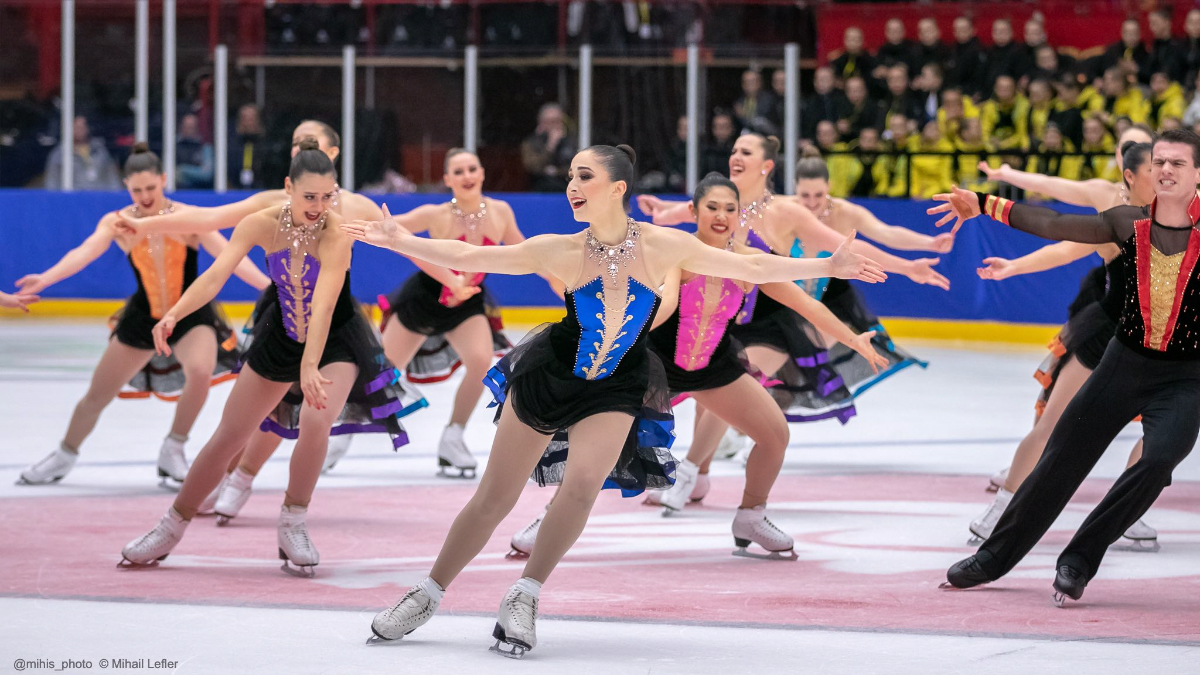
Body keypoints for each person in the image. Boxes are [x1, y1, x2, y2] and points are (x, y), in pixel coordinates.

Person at [347, 144, 886, 656]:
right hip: (551, 375)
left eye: (584, 176)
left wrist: (825, 267)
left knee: (582, 488)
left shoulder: (662, 245)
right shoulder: (562, 249)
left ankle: (524, 596)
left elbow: (753, 268)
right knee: (495, 496)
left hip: (618, 384)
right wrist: (400, 240)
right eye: (570, 177)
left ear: (617, 187)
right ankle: (428, 592)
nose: (572, 185)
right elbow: (467, 253)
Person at [120, 139, 420, 577]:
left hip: (335, 340)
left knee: (316, 421)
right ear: (288, 188)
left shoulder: (337, 233)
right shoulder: (260, 224)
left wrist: (310, 365)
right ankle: (170, 526)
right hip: (280, 334)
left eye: (327, 196)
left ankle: (293, 521)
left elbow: (324, 305)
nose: (319, 206)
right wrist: (174, 313)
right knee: (229, 435)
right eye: (310, 196)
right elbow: (214, 276)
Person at [115, 120, 462, 499]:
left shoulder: (354, 207)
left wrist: (453, 280)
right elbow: (209, 218)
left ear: (332, 154)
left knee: (307, 413)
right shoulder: (275, 202)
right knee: (262, 411)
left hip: (333, 317)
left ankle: (255, 486)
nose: (300, 148)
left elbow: (407, 245)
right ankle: (232, 479)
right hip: (283, 312)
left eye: (309, 142)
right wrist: (147, 225)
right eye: (296, 143)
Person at [931, 128, 1200, 606]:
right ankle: (993, 557)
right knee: (1061, 458)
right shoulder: (1127, 222)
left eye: (1177, 163)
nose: (1165, 170)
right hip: (1124, 363)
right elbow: (1056, 224)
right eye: (1159, 161)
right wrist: (986, 204)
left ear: (1197, 173)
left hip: (1186, 377)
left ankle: (1079, 559)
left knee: (1159, 461)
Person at [15, 144, 269, 487]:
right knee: (97, 395)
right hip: (143, 316)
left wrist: (269, 287)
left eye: (151, 187)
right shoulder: (120, 222)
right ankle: (64, 454)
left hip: (189, 314)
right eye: (137, 190)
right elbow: (84, 252)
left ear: (164, 180)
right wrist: (45, 279)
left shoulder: (188, 217)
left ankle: (173, 448)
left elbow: (231, 256)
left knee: (200, 371)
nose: (145, 196)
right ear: (127, 187)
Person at [971, 132, 1159, 553]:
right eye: (1155, 167)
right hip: (1106, 334)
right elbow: (1064, 244)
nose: (1165, 174)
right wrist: (1014, 265)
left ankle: (1129, 511)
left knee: (1162, 434)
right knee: (1052, 425)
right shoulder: (1114, 214)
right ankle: (1002, 508)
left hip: (1156, 343)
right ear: (1129, 174)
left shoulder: (1182, 215)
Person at [376, 148, 563, 476]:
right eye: (458, 172)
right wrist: (373, 223)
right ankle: (344, 435)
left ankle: (453, 436)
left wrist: (557, 279)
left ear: (482, 173)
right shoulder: (435, 214)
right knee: (383, 376)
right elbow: (391, 231)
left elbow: (525, 253)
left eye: (472, 169)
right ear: (447, 179)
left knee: (480, 360)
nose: (467, 176)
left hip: (469, 304)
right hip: (424, 300)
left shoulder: (500, 212)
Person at [44, 115, 121, 191]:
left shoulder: (100, 150)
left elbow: (111, 176)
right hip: (73, 197)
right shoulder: (60, 154)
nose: (80, 130)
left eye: (82, 127)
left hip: (99, 196)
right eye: (76, 127)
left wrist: (114, 194)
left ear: (87, 128)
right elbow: (52, 182)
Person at [521, 103, 577, 192]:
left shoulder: (571, 142)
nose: (553, 126)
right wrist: (550, 146)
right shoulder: (532, 143)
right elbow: (532, 167)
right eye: (549, 122)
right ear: (541, 123)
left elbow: (577, 168)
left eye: (556, 121)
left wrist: (556, 171)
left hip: (567, 189)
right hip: (539, 191)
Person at [229, 104, 267, 190]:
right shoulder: (233, 145)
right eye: (245, 119)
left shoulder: (265, 145)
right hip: (236, 190)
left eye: (252, 119)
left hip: (262, 190)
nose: (249, 123)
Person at [176, 113, 214, 189]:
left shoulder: (205, 147)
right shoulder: (172, 147)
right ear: (181, 127)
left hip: (200, 191)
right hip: (178, 191)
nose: (189, 130)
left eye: (192, 127)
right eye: (186, 126)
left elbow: (206, 174)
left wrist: (182, 170)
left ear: (197, 128)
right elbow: (169, 174)